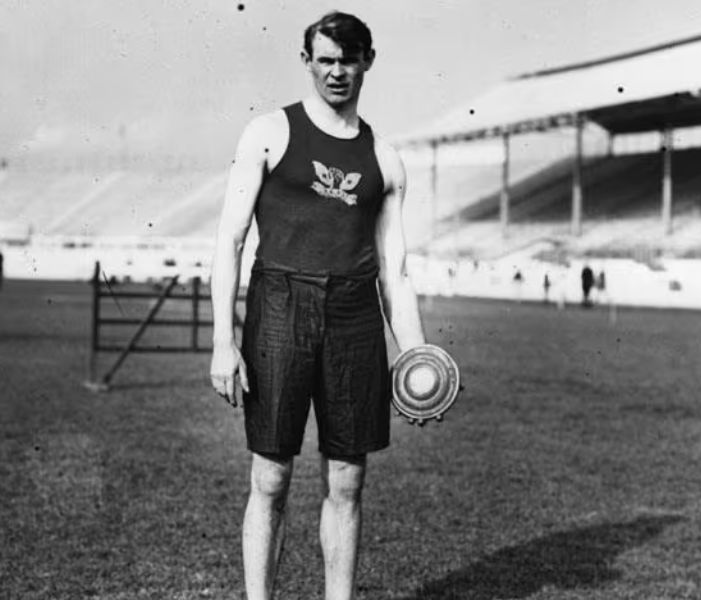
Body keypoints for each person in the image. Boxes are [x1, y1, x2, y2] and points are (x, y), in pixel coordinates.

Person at [208, 12, 426, 600]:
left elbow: (395, 271)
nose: (336, 72)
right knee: (271, 476)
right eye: (325, 59)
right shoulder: (269, 133)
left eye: (348, 60)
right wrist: (224, 343)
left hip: (354, 315)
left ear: (368, 62)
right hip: (280, 304)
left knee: (348, 480)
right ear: (307, 61)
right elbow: (229, 240)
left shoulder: (385, 158)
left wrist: (418, 357)